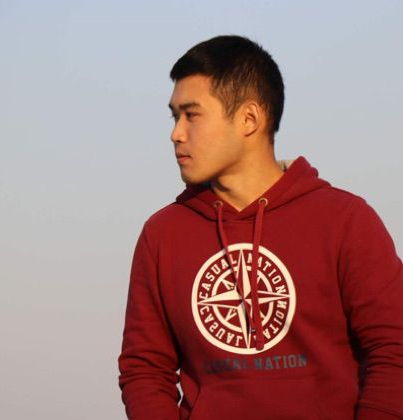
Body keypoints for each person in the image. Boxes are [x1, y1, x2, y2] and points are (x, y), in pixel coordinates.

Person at [118, 35, 403, 419]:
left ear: (249, 119)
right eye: (174, 117)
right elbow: (144, 369)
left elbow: (393, 348)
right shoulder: (162, 235)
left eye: (192, 115)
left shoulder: (346, 221)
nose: (176, 133)